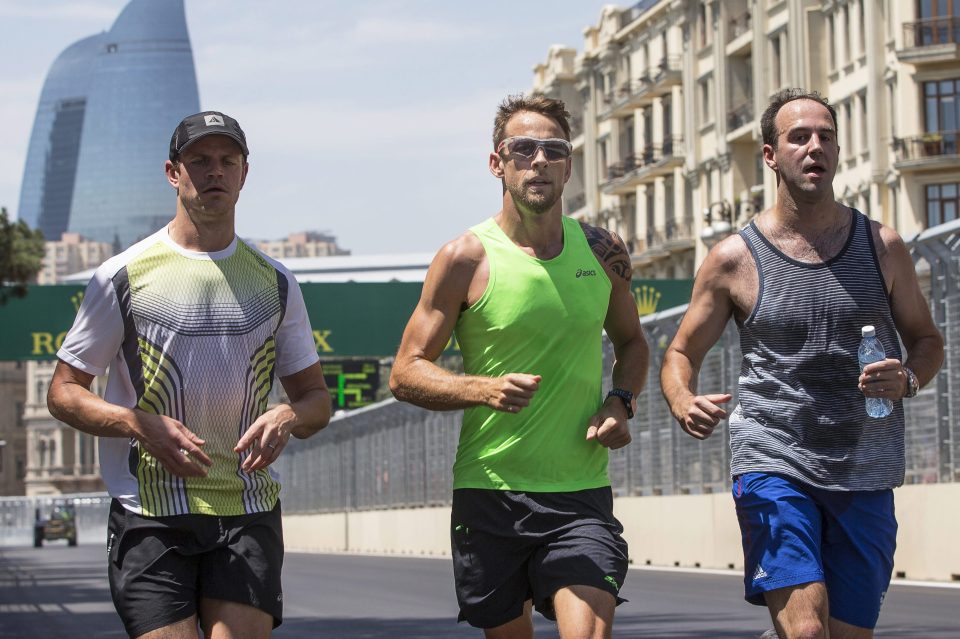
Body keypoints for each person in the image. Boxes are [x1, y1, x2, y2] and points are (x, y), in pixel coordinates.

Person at [660, 88, 944, 639]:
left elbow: (928, 340)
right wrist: (680, 398)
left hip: (866, 467)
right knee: (807, 631)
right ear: (770, 155)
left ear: (837, 152)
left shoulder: (882, 246)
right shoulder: (733, 259)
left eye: (826, 137)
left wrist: (907, 378)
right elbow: (679, 352)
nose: (815, 147)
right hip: (772, 461)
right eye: (799, 137)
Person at [47, 111, 331, 639]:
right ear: (173, 173)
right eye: (199, 161)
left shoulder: (276, 280)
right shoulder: (122, 275)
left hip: (247, 508)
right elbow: (63, 393)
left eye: (227, 161)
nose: (214, 172)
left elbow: (317, 399)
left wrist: (288, 416)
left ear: (245, 173)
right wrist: (138, 424)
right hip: (150, 511)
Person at [389, 94, 649, 639]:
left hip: (579, 491)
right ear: (497, 163)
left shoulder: (603, 252)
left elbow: (633, 344)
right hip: (490, 492)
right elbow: (406, 372)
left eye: (553, 150)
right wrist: (480, 389)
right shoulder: (465, 258)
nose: (538, 161)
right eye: (523, 149)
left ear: (569, 166)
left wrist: (619, 401)